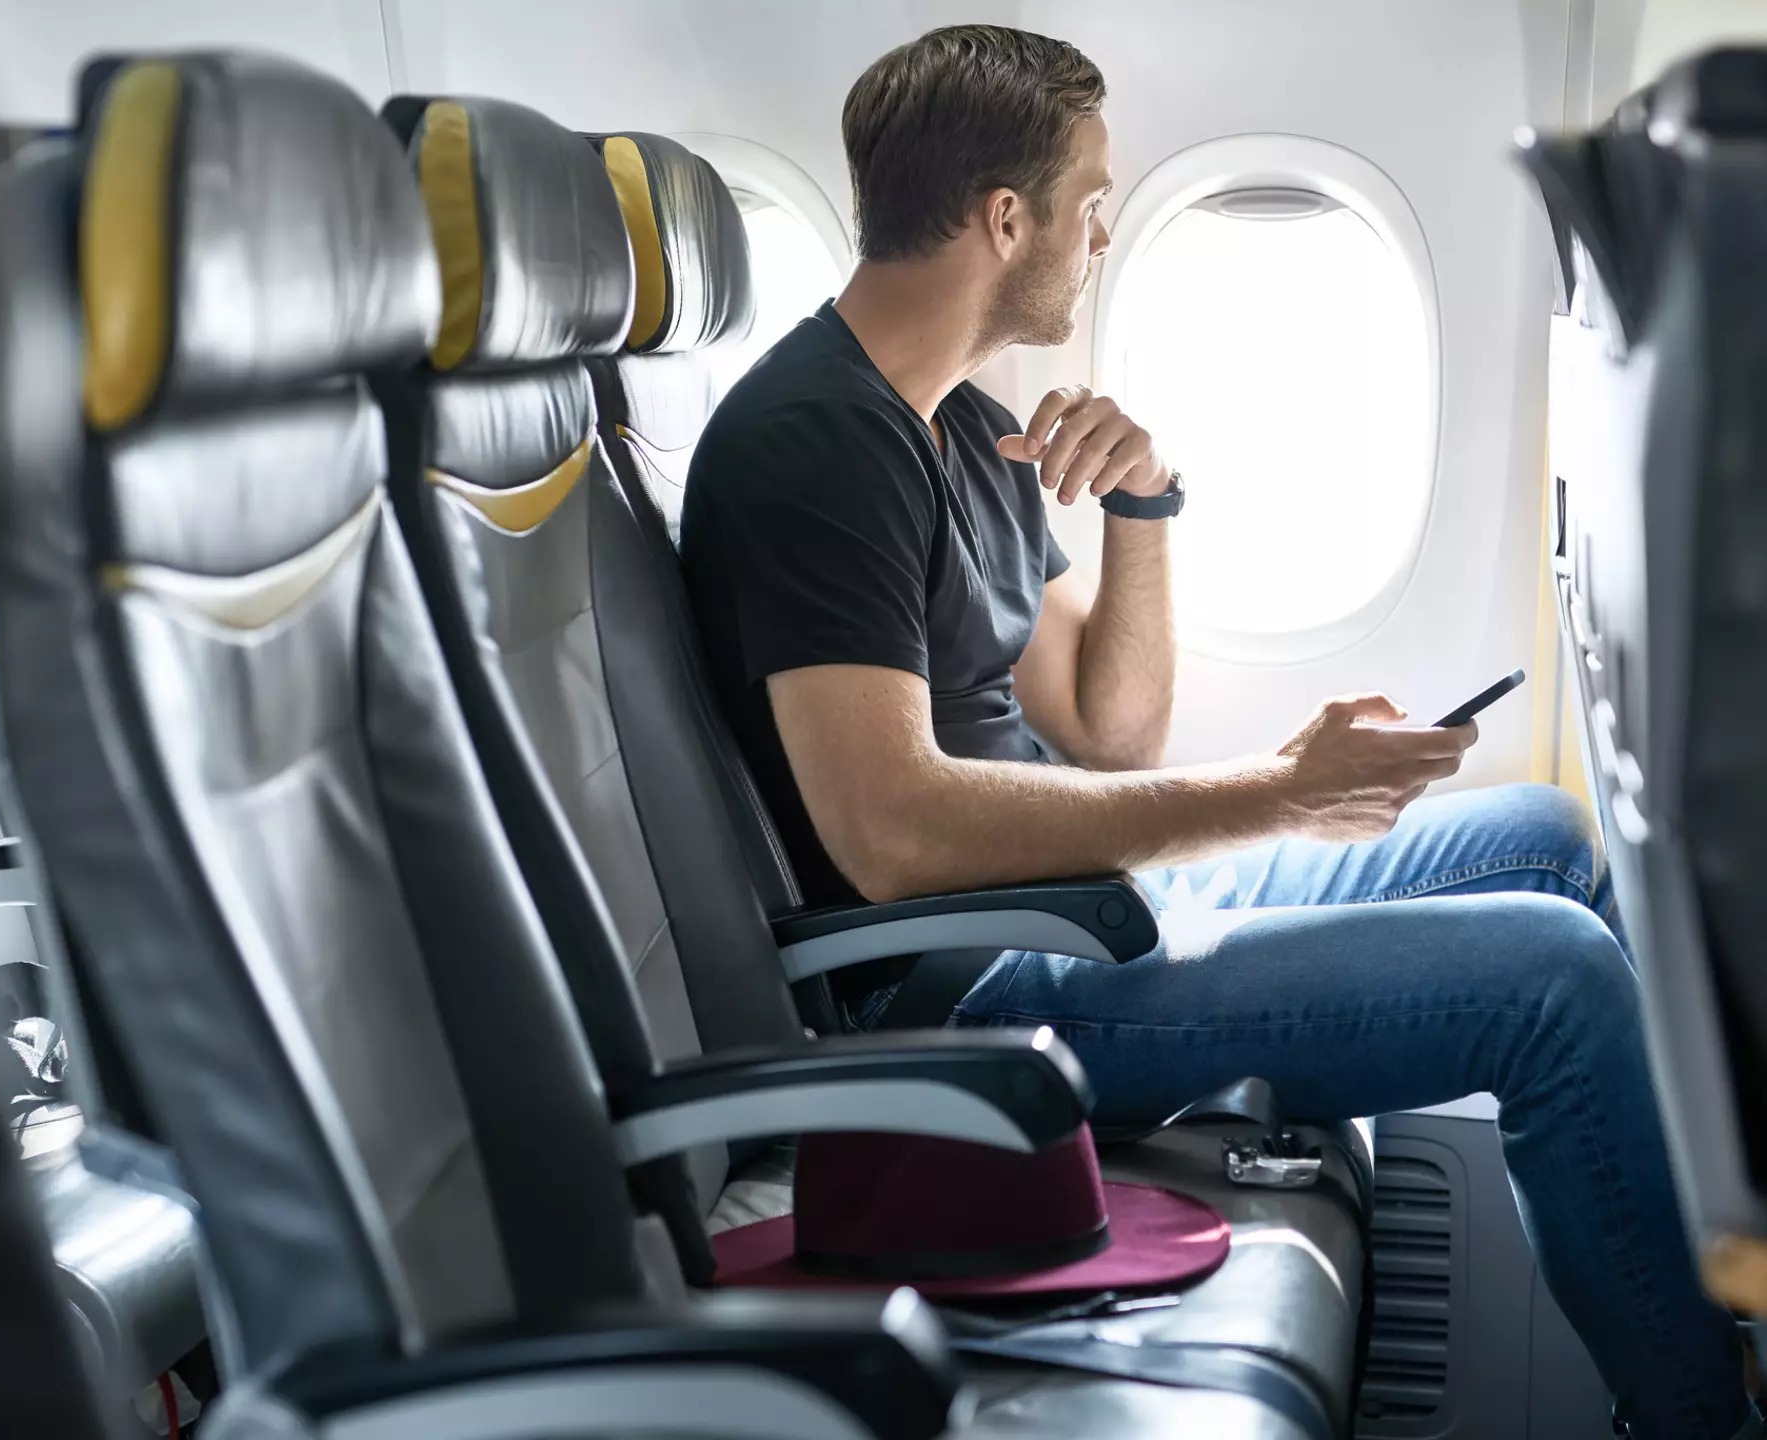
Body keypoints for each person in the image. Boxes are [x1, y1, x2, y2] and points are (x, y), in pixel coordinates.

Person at [679, 22, 1756, 1440]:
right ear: (1007, 219)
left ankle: (1719, 1283)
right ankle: (1701, 1423)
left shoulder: (950, 430)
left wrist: (1144, 501)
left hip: (1079, 910)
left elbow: (1105, 724)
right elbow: (891, 834)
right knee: (1552, 978)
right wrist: (1280, 793)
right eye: (1093, 203)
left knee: (1547, 834)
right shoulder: (815, 447)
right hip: (973, 993)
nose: (1105, 235)